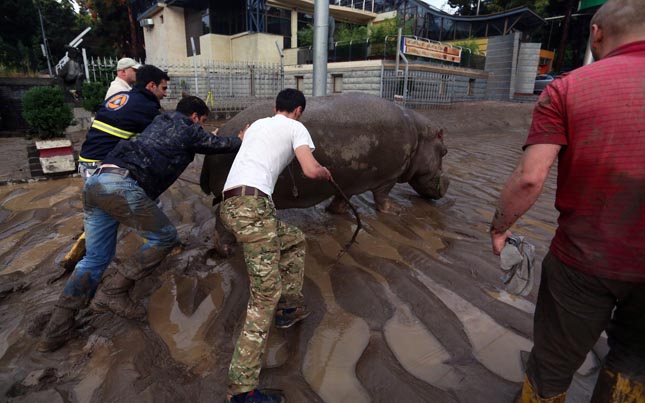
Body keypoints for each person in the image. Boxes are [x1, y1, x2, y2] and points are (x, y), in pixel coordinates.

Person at [489, 1, 645, 401]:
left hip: (583, 261)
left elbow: (529, 178)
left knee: (553, 363)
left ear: (596, 34)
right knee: (634, 363)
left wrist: (500, 226)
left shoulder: (569, 86)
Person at [38, 96, 243, 352]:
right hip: (121, 187)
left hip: (97, 184)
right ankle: (114, 290)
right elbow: (218, 144)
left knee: (94, 259)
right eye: (201, 122)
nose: (199, 126)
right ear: (194, 117)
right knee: (165, 237)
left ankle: (56, 330)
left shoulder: (160, 122)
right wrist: (240, 139)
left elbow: (198, 140)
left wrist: (202, 136)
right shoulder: (187, 127)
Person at [220, 89, 332, 403]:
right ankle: (241, 390)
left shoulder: (257, 125)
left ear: (274, 107)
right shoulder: (296, 127)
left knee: (295, 239)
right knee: (262, 297)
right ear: (298, 110)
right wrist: (324, 173)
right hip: (253, 208)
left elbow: (243, 138)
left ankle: (290, 307)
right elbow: (310, 170)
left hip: (231, 208)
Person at [58, 65, 170, 272]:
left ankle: (82, 253)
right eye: (163, 89)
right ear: (151, 85)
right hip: (104, 168)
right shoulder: (146, 107)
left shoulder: (121, 97)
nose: (165, 94)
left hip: (87, 163)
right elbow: (166, 137)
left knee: (105, 209)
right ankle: (158, 249)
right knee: (151, 206)